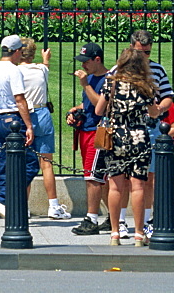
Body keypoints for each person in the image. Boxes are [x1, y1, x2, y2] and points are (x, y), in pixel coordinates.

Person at [95, 48, 161, 247]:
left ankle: (115, 232)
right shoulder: (146, 86)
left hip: (116, 137)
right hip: (139, 137)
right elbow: (154, 113)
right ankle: (139, 234)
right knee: (138, 186)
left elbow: (99, 109)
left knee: (115, 186)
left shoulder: (111, 83)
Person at [128, 30, 174, 230]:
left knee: (148, 178)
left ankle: (145, 222)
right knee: (124, 179)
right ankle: (120, 222)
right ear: (131, 49)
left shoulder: (157, 70)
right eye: (140, 52)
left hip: (151, 128)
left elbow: (169, 96)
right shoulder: (120, 70)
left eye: (147, 52)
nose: (144, 57)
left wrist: (159, 109)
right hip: (127, 129)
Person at [0, 34, 37, 218]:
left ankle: (4, 198)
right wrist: (28, 125)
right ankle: (5, 197)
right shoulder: (14, 71)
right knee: (30, 163)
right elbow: (19, 99)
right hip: (13, 119)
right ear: (16, 52)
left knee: (5, 163)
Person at [18, 38, 71, 219]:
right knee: (47, 163)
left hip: (25, 114)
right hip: (42, 112)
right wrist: (45, 57)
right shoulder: (41, 70)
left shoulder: (16, 72)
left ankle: (23, 206)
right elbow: (45, 66)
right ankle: (53, 205)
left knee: (24, 164)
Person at [68, 42, 111, 236]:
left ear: (97, 60)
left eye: (87, 61)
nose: (83, 65)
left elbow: (100, 106)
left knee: (93, 177)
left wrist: (85, 85)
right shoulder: (92, 77)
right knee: (96, 177)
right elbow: (88, 103)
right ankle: (112, 216)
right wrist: (76, 110)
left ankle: (92, 218)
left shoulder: (109, 79)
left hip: (99, 131)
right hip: (86, 129)